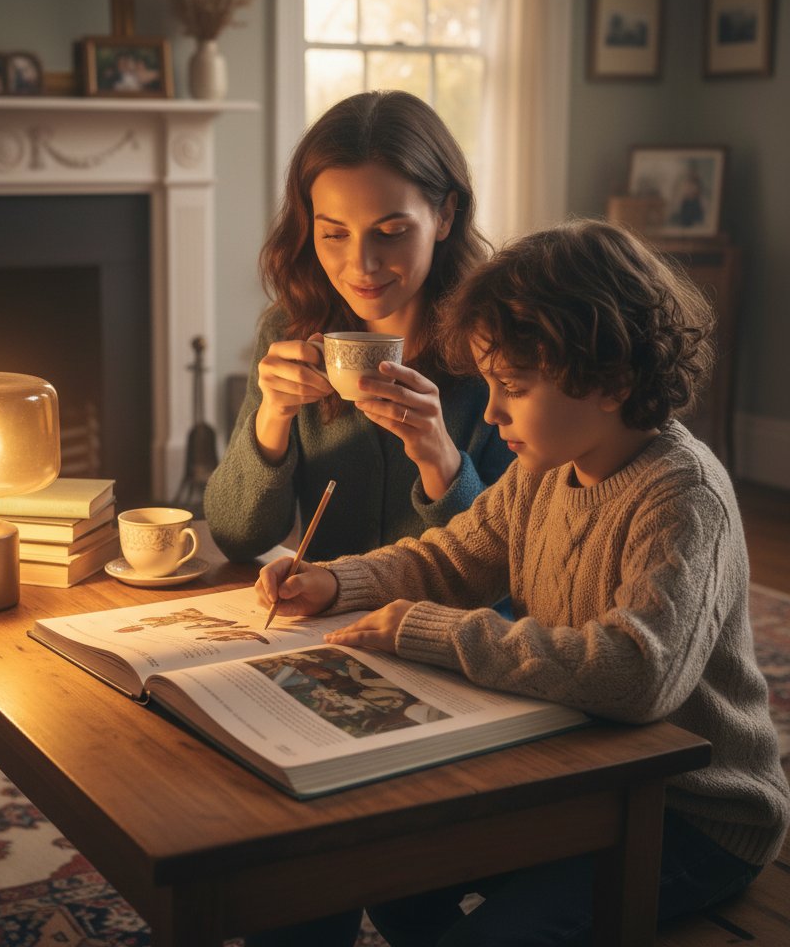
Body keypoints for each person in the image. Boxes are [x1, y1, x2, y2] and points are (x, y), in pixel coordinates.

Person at [254, 219, 790, 946]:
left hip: (690, 815)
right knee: (368, 863)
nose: (494, 410)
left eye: (512, 387)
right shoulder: (542, 467)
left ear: (612, 380)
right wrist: (334, 582)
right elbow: (447, 559)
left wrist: (429, 630)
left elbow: (638, 675)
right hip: (583, 770)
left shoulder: (684, 496)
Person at [204, 91, 513, 563]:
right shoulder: (289, 329)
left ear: (445, 215)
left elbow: (513, 563)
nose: (361, 265)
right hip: (326, 623)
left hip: (452, 632)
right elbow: (236, 537)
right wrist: (273, 417)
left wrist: (439, 458)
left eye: (391, 233)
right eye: (334, 234)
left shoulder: (502, 343)